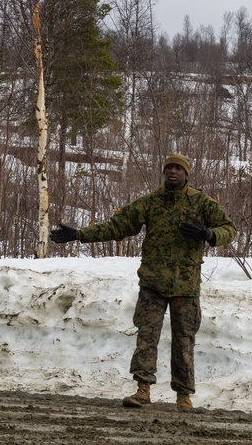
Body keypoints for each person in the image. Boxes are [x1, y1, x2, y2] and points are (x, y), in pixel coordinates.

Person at [49, 153, 236, 411]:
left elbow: (229, 229)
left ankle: (183, 396)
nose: (172, 172)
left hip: (185, 285)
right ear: (163, 172)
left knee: (184, 341)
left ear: (186, 174)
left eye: (177, 168)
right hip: (152, 283)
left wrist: (208, 233)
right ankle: (143, 390)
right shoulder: (151, 203)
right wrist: (80, 235)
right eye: (168, 167)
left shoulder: (200, 203)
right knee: (146, 338)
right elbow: (118, 226)